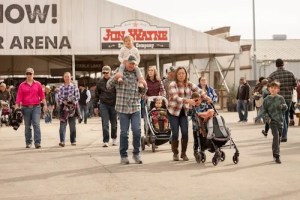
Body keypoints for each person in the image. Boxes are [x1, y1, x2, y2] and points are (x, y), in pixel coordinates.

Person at [107, 55, 147, 165]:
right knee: (124, 133)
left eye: (133, 63)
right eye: (130, 63)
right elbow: (108, 85)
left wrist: (142, 86)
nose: (131, 65)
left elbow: (144, 92)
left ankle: (136, 154)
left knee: (137, 131)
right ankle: (123, 155)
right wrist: (116, 77)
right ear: (126, 63)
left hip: (135, 107)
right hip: (122, 108)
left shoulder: (138, 74)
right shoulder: (119, 72)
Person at [167, 66, 202, 161]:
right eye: (179, 73)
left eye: (183, 73)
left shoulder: (189, 84)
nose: (181, 75)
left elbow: (199, 90)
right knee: (175, 133)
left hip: (184, 112)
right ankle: (175, 153)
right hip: (173, 112)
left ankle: (183, 153)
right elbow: (176, 98)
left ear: (186, 74)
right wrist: (188, 100)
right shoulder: (172, 84)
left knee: (185, 133)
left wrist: (205, 96)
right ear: (176, 75)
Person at [15, 68, 47, 149]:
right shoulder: (22, 85)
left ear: (33, 74)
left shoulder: (38, 84)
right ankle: (28, 142)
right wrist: (16, 106)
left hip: (36, 107)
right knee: (27, 126)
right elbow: (19, 97)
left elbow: (42, 96)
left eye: (30, 74)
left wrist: (45, 105)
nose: (29, 75)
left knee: (36, 124)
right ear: (25, 75)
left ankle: (37, 142)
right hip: (25, 108)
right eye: (27, 74)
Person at [268, 58, 297, 142]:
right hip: (288, 98)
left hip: (278, 98)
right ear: (283, 64)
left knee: (282, 116)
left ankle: (283, 135)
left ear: (276, 65)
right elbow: (295, 85)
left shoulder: (273, 75)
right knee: (286, 115)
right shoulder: (290, 73)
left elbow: (268, 86)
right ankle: (284, 134)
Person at [258, 81, 287, 164]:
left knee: (278, 139)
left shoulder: (281, 98)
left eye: (275, 88)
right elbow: (264, 111)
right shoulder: (266, 99)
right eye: (272, 88)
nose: (273, 89)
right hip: (272, 121)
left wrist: (283, 106)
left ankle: (275, 153)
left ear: (278, 89)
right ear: (269, 89)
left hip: (280, 121)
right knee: (276, 136)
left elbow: (286, 107)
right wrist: (267, 118)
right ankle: (277, 155)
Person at [95, 65, 117, 147]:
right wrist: (95, 106)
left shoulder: (114, 81)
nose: (105, 74)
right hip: (103, 104)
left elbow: (118, 92)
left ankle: (114, 138)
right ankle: (106, 140)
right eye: (104, 72)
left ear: (110, 72)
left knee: (114, 123)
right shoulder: (100, 82)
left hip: (114, 104)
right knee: (105, 123)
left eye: (107, 72)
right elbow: (96, 94)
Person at [189, 92, 214, 161]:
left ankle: (202, 150)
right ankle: (195, 150)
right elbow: (188, 113)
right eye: (194, 100)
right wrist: (190, 105)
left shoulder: (204, 105)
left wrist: (209, 103)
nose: (196, 102)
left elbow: (209, 109)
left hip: (204, 126)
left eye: (198, 100)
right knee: (196, 140)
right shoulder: (191, 107)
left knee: (203, 139)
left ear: (200, 99)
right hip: (196, 127)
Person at [57, 72, 80, 147]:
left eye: (68, 76)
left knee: (72, 125)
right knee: (62, 125)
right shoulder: (61, 87)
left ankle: (73, 140)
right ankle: (62, 141)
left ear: (71, 78)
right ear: (63, 78)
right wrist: (64, 102)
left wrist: (71, 102)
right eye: (65, 77)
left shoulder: (74, 86)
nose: (67, 78)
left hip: (72, 108)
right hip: (63, 108)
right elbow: (59, 97)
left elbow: (77, 97)